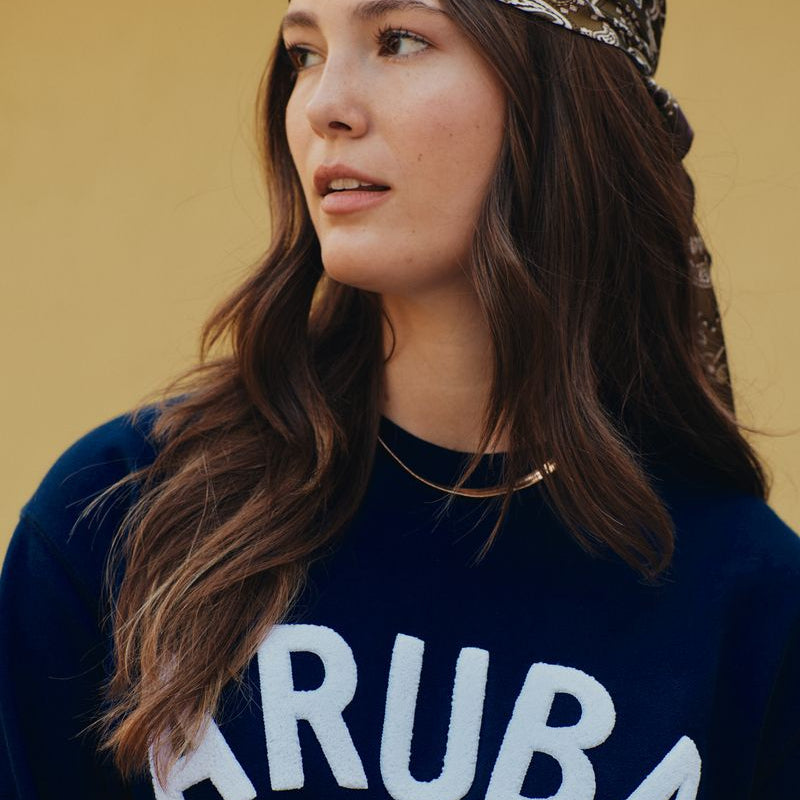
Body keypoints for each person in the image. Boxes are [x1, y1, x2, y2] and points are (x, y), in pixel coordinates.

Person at [1, 0, 798, 797]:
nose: (323, 105)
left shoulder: (744, 599)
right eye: (305, 53)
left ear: (559, 95)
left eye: (400, 40)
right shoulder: (121, 517)